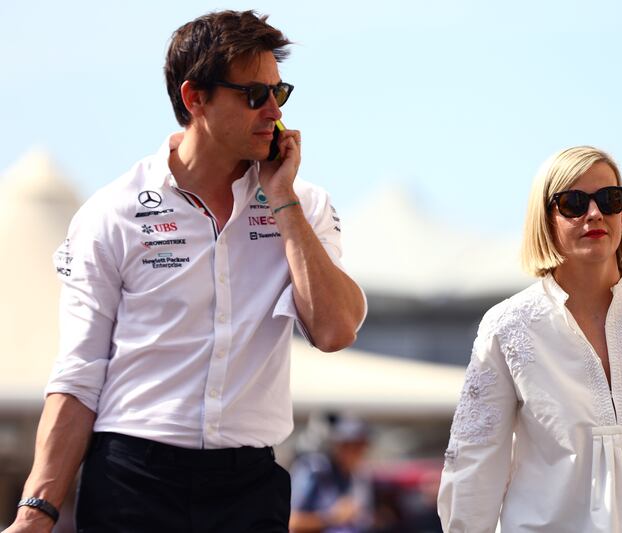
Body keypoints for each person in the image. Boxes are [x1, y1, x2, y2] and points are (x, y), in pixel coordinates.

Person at [6, 10, 366, 533]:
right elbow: (79, 374)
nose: (274, 112)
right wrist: (35, 511)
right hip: (132, 478)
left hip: (250, 485)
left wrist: (283, 200)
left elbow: (336, 331)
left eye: (279, 93)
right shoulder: (112, 212)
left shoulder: (304, 203)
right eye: (254, 95)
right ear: (195, 97)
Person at [437, 146, 622, 532]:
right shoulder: (506, 327)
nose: (594, 213)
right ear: (545, 219)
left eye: (609, 199)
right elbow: (474, 468)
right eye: (573, 203)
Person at [289, 414, 373, 533]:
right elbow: (291, 521)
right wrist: (331, 518)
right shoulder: (314, 470)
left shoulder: (359, 477)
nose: (355, 452)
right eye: (348, 445)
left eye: (360, 445)